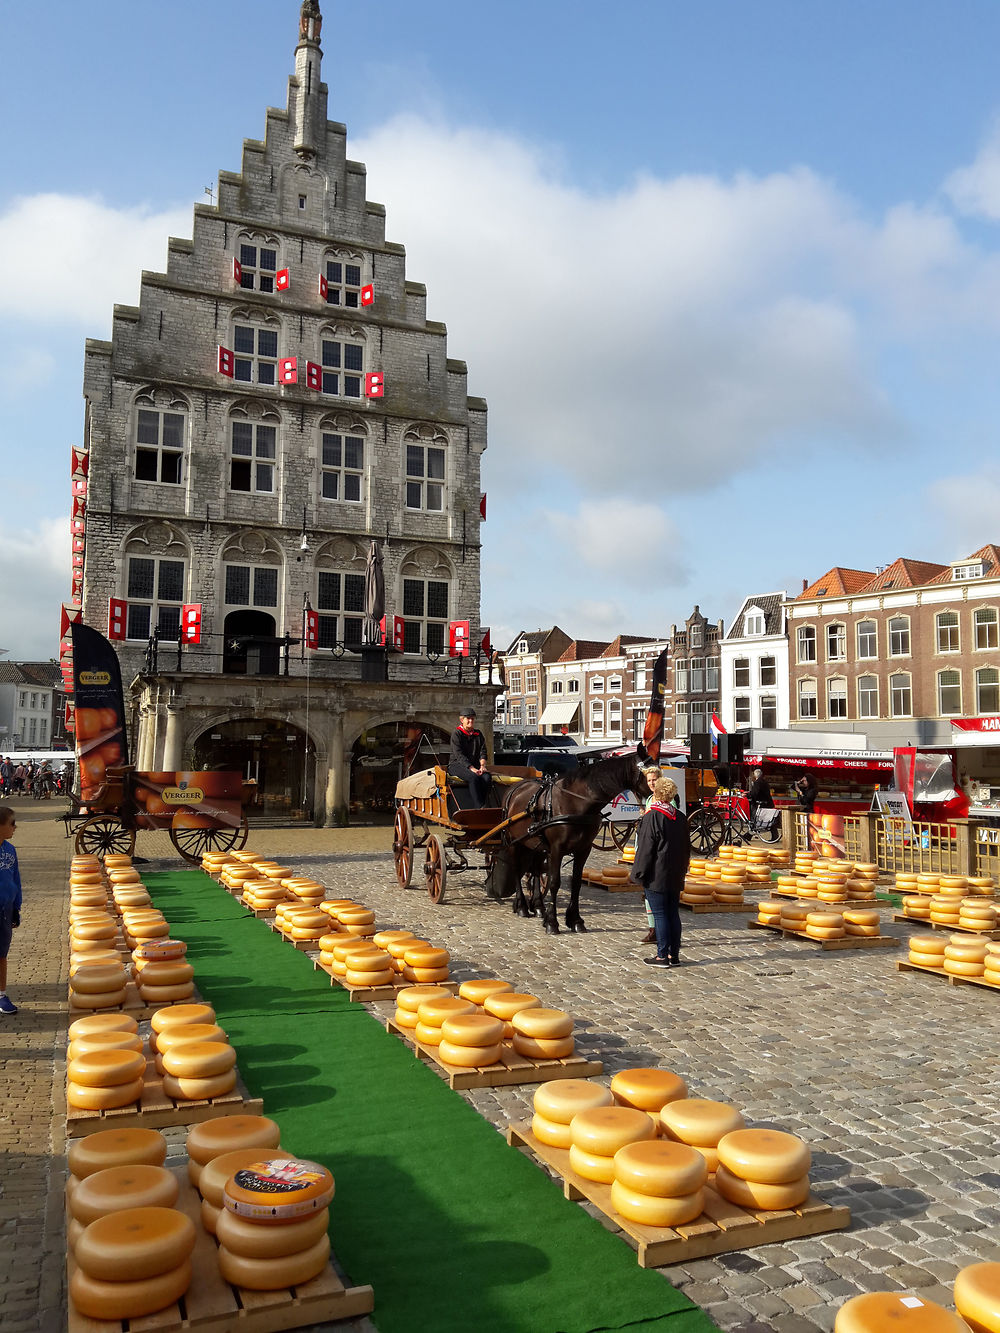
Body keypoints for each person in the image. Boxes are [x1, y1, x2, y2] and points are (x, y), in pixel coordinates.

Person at [630, 776, 690, 967]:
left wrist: (638, 873)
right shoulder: (679, 817)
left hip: (657, 873)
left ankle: (662, 955)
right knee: (673, 913)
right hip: (675, 873)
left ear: (656, 794)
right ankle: (674, 955)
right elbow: (687, 847)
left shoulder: (652, 816)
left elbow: (646, 848)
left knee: (660, 914)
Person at [448, 707, 492, 809]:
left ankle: (485, 804)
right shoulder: (456, 734)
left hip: (474, 766)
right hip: (456, 765)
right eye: (468, 719)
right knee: (473, 777)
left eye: (472, 718)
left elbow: (483, 751)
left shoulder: (478, 734)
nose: (471, 721)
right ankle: (478, 807)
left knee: (487, 777)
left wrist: (482, 766)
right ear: (462, 720)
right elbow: (459, 755)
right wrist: (472, 769)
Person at [0, 807, 21, 1015]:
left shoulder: (10, 850)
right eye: (11, 823)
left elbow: (16, 879)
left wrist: (17, 906)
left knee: (2, 953)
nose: (15, 827)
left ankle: (1, 995)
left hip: (5, 908)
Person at [638, 764, 662, 946]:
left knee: (654, 893)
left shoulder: (664, 799)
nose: (652, 783)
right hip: (645, 850)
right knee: (646, 894)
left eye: (654, 780)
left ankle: (658, 930)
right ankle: (652, 928)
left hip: (656, 854)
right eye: (649, 780)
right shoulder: (649, 799)